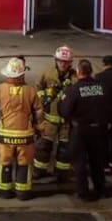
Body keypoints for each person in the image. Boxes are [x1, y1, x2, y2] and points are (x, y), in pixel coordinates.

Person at [0, 56, 43, 200]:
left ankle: (4, 191)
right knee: (24, 163)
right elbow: (39, 111)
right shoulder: (31, 91)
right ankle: (23, 192)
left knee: (4, 162)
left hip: (4, 136)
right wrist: (38, 127)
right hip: (25, 136)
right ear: (22, 74)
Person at [58, 59, 110, 202]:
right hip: (99, 129)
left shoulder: (74, 90)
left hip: (80, 130)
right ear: (90, 71)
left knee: (80, 162)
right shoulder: (102, 87)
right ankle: (101, 189)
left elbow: (64, 111)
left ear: (79, 72)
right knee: (97, 161)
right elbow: (108, 106)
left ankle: (83, 193)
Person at [34, 45, 76, 181]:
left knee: (65, 149)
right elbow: (37, 90)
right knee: (43, 148)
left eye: (66, 62)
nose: (63, 64)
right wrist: (46, 94)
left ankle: (62, 174)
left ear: (70, 62)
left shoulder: (75, 77)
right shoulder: (47, 74)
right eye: (60, 61)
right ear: (55, 60)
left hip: (66, 122)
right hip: (49, 120)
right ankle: (39, 171)